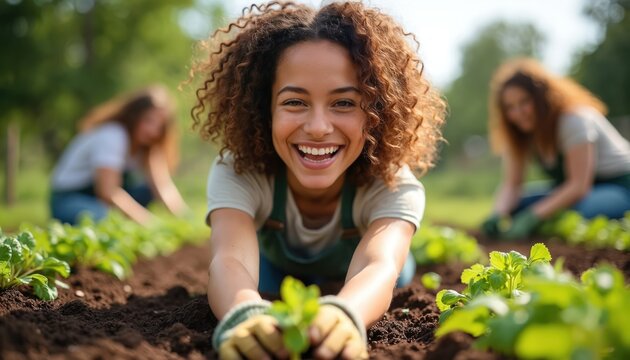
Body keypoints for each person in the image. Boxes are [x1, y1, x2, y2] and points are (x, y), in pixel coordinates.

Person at [191, 2, 446, 359]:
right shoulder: (239, 170)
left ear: (375, 114)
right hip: (273, 273)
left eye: (343, 104)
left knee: (399, 274)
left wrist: (345, 313)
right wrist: (244, 311)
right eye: (295, 102)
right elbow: (229, 260)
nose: (318, 128)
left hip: (357, 277)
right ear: (264, 109)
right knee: (261, 283)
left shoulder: (391, 183)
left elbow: (379, 265)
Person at [481, 58, 630, 240]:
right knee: (517, 206)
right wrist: (498, 213)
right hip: (576, 189)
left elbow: (578, 186)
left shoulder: (573, 120)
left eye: (524, 102)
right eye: (510, 107)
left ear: (542, 98)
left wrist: (532, 217)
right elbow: (512, 185)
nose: (518, 113)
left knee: (580, 212)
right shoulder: (521, 133)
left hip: (619, 186)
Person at [50, 85, 189, 226]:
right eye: (148, 120)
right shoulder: (112, 135)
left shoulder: (147, 145)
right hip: (71, 198)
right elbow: (108, 192)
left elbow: (162, 186)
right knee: (104, 219)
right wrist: (149, 223)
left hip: (103, 200)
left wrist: (186, 220)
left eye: (160, 126)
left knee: (146, 191)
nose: (153, 131)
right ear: (134, 115)